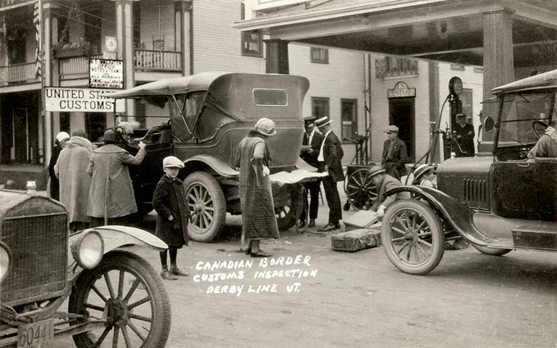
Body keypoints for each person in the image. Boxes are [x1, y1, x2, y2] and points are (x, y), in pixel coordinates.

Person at [235, 118, 280, 258]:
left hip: (244, 184)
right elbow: (257, 156)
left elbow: (236, 162)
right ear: (266, 134)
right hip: (257, 184)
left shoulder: (244, 141)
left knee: (249, 213)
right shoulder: (259, 142)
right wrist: (260, 169)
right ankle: (255, 249)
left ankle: (249, 246)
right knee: (259, 214)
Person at [87, 129, 146, 227]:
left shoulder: (95, 153)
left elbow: (89, 171)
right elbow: (137, 161)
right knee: (118, 213)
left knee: (101, 212)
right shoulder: (121, 153)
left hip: (100, 190)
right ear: (115, 139)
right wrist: (142, 148)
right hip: (118, 190)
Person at [153, 156, 190, 280]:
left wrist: (187, 212)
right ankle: (164, 270)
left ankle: (173, 267)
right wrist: (168, 215)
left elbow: (183, 200)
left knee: (174, 243)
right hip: (166, 221)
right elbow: (156, 202)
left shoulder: (178, 183)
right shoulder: (163, 183)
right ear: (165, 169)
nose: (174, 171)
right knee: (164, 244)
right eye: (171, 168)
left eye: (176, 169)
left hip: (176, 220)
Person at [54, 130, 94, 232]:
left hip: (67, 191)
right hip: (83, 191)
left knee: (70, 211)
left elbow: (56, 171)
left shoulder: (63, 152)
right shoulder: (85, 151)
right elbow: (93, 169)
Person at [314, 116, 344, 232]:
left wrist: (328, 165)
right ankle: (335, 221)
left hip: (328, 170)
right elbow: (341, 153)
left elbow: (334, 153)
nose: (320, 131)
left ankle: (332, 222)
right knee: (333, 195)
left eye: (321, 128)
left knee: (332, 196)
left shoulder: (330, 138)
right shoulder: (330, 137)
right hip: (329, 169)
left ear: (326, 126)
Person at [298, 115, 324, 228]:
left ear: (313, 126)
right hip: (303, 170)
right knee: (302, 196)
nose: (307, 129)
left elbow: (322, 153)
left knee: (314, 195)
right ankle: (302, 219)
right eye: (306, 127)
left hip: (314, 169)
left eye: (309, 127)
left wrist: (311, 151)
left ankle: (313, 219)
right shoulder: (301, 136)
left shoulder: (320, 137)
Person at [48, 132, 70, 200]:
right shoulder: (59, 153)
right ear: (61, 142)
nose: (66, 143)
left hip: (55, 181)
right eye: (65, 141)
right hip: (57, 182)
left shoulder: (57, 152)